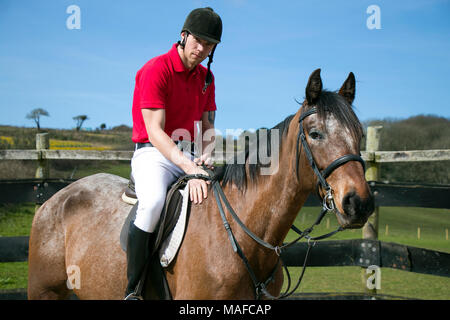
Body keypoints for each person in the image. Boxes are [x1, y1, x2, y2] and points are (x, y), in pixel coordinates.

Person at [125, 7, 223, 299]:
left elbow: (206, 127)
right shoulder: (157, 69)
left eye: (209, 45)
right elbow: (155, 131)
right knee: (153, 202)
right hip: (153, 153)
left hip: (189, 155)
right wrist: (190, 168)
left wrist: (205, 159)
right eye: (198, 41)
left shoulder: (207, 78)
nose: (202, 49)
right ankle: (134, 290)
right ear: (183, 36)